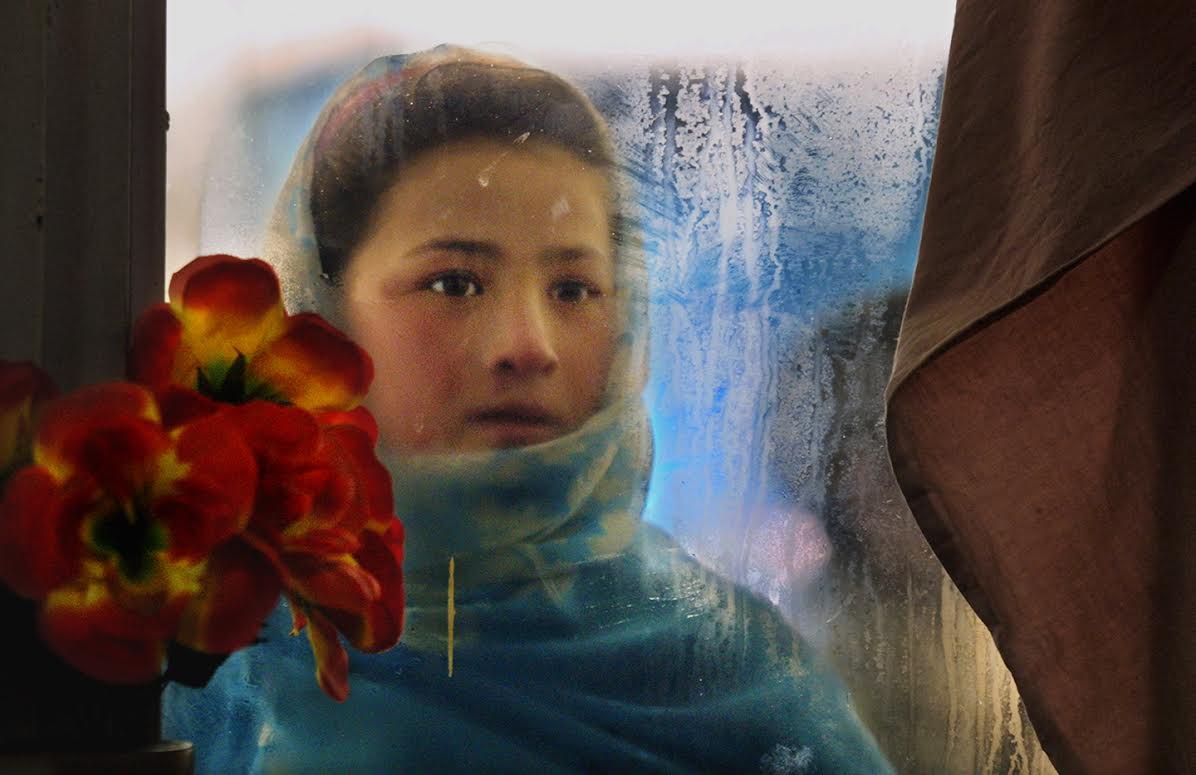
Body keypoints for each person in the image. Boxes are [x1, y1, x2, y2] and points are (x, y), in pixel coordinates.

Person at [164, 45, 893, 774]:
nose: (529, 346)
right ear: (323, 314)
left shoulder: (738, 679)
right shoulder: (210, 657)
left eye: (573, 290)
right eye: (454, 284)